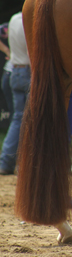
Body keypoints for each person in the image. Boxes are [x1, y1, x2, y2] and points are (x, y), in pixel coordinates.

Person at [0, 12, 30, 175]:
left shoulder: (14, 19)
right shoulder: (31, 21)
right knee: (32, 120)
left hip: (14, 71)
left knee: (18, 118)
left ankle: (6, 161)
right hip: (28, 71)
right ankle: (25, 164)